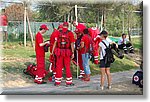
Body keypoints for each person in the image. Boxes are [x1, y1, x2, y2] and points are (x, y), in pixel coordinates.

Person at [51, 22, 75, 86]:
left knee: (58, 66)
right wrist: (73, 52)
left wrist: (52, 52)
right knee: (67, 67)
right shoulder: (70, 33)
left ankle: (57, 82)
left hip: (59, 51)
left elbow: (55, 42)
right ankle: (69, 82)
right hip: (67, 52)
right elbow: (72, 43)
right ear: (68, 26)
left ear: (62, 26)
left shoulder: (58, 32)